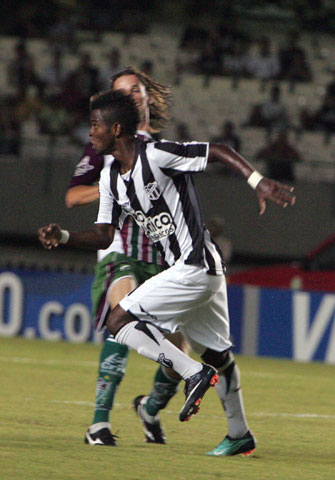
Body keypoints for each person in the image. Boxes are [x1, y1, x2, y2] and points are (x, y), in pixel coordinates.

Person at [39, 89, 296, 456]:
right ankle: (239, 435)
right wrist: (62, 235)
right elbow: (104, 235)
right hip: (200, 271)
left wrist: (259, 182)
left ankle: (192, 373)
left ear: (115, 128)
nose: (90, 133)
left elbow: (217, 151)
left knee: (118, 320)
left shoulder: (157, 155)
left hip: (195, 265)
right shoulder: (111, 177)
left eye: (95, 125)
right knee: (219, 357)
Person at [66, 67, 188, 447]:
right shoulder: (103, 144)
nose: (132, 95)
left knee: (179, 349)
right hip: (119, 249)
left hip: (160, 256)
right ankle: (98, 424)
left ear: (148, 96)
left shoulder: (162, 148)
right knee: (122, 313)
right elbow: (72, 196)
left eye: (136, 89)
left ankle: (150, 409)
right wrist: (112, 190)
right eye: (123, 91)